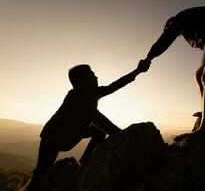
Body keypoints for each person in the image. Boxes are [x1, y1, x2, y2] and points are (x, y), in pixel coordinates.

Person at [27, 60, 151, 190]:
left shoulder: (93, 93)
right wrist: (125, 137)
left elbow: (115, 85)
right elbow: (99, 119)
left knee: (99, 132)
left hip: (73, 132)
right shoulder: (74, 97)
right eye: (92, 74)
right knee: (41, 173)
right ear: (82, 81)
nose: (96, 77)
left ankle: (85, 162)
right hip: (53, 137)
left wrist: (137, 71)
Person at [145, 6, 205, 138]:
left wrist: (149, 57)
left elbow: (164, 41)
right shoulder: (193, 24)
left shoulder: (179, 20)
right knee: (199, 75)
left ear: (170, 25)